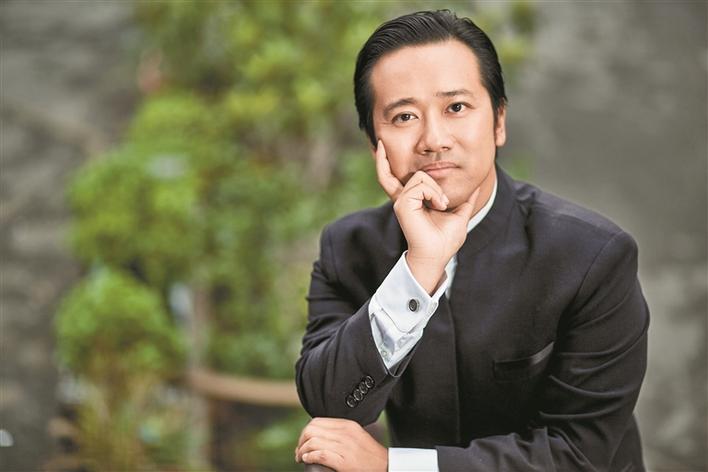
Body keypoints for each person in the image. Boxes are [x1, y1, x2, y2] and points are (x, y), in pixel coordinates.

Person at [294, 9, 649, 472]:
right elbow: (332, 405)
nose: (433, 139)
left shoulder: (593, 256)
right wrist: (419, 269)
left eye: (456, 108)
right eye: (404, 116)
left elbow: (578, 453)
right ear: (374, 143)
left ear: (498, 122)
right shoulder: (348, 248)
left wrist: (393, 466)